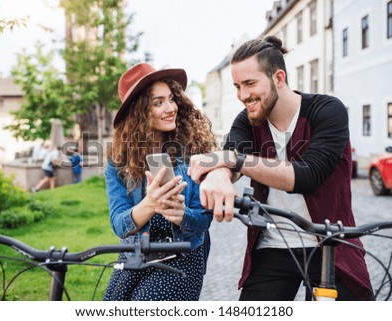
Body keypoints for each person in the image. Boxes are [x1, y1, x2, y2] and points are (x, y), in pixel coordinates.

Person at [188, 36, 373, 301]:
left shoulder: (327, 110)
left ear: (278, 77)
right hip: (273, 244)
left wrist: (232, 160)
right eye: (237, 86)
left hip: (331, 242)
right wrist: (218, 174)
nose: (242, 95)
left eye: (250, 84)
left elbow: (307, 176)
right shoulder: (248, 119)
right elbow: (231, 155)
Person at [103, 63, 216, 301]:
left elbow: (204, 219)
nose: (171, 107)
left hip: (182, 255)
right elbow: (118, 224)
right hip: (136, 254)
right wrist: (150, 203)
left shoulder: (193, 153)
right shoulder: (118, 164)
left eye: (171, 99)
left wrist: (182, 214)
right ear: (139, 112)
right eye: (158, 102)